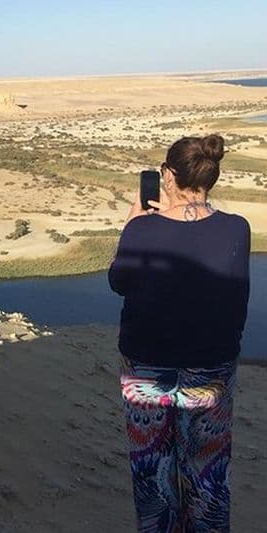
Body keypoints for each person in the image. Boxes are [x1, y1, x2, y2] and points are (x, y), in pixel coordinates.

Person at [108, 134, 250, 532]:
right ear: (210, 178)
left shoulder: (142, 230)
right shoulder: (237, 230)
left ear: (168, 176)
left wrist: (134, 225)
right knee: (207, 471)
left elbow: (120, 280)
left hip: (145, 370)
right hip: (211, 370)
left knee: (153, 470)